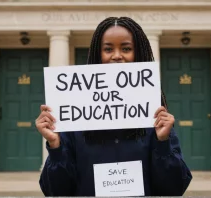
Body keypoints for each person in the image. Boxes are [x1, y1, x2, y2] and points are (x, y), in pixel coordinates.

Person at [36, 16, 192, 196]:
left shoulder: (155, 118)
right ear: (97, 54)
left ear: (138, 53)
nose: (117, 55)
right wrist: (55, 147)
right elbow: (55, 192)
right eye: (108, 49)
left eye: (126, 48)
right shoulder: (74, 118)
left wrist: (163, 143)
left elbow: (174, 189)